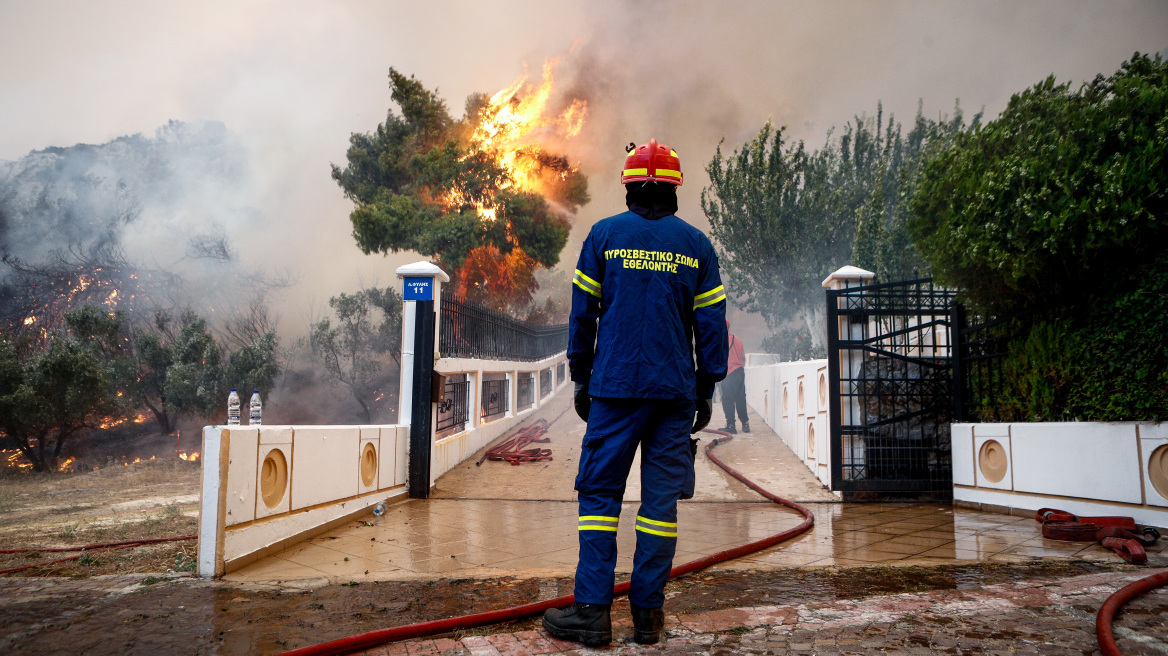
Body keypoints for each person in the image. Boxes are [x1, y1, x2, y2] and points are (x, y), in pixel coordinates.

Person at [542, 139, 728, 646]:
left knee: (601, 498)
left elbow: (583, 315)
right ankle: (648, 618)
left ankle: (593, 614)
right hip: (674, 396)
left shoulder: (604, 236)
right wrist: (706, 386)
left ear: (627, 185)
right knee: (660, 508)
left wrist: (581, 375)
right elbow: (711, 325)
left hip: (615, 390)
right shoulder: (697, 246)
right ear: (674, 189)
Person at [718, 320, 749, 434]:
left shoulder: (720, 341)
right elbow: (743, 358)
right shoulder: (738, 340)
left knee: (727, 399)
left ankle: (731, 425)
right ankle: (745, 424)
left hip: (728, 373)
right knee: (740, 398)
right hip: (740, 372)